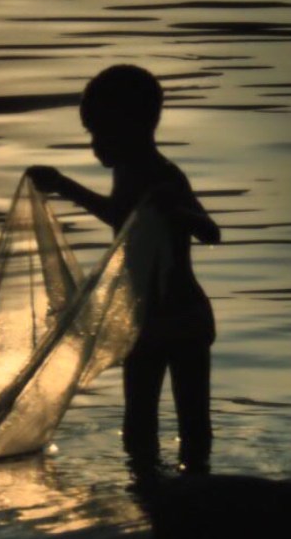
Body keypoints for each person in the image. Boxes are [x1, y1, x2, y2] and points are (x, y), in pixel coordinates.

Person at [27, 64, 221, 474]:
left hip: (181, 318)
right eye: (92, 134)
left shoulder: (163, 174)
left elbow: (210, 232)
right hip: (146, 323)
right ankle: (159, 499)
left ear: (134, 127)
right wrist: (62, 185)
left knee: (191, 426)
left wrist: (179, 210)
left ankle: (183, 498)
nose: (96, 145)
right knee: (139, 428)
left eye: (101, 133)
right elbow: (121, 217)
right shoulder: (128, 172)